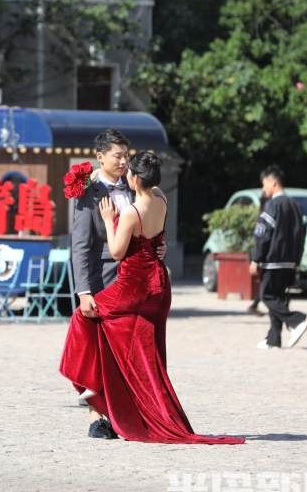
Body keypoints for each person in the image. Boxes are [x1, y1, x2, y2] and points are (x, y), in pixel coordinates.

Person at [60, 151, 243, 444]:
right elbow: (157, 238)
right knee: (148, 356)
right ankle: (141, 409)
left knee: (85, 316)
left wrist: (109, 220)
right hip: (159, 287)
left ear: (134, 178)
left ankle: (110, 399)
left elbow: (118, 252)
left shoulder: (132, 212)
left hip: (134, 287)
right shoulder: (161, 198)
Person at [65, 128, 165, 437]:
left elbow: (148, 226)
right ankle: (98, 417)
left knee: (131, 349)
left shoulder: (137, 185)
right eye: (117, 156)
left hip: (135, 281)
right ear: (100, 157)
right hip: (102, 280)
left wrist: (158, 247)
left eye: (126, 155)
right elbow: (81, 245)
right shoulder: (87, 191)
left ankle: (132, 413)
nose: (123, 162)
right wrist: (83, 291)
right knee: (98, 350)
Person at [250, 165, 307, 349]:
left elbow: (263, 234)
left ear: (273, 182)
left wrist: (256, 258)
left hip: (273, 261)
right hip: (290, 261)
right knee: (277, 298)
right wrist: (296, 260)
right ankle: (273, 339)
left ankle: (296, 321)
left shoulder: (273, 205)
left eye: (264, 184)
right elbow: (301, 235)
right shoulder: (295, 205)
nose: (263, 189)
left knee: (266, 296)